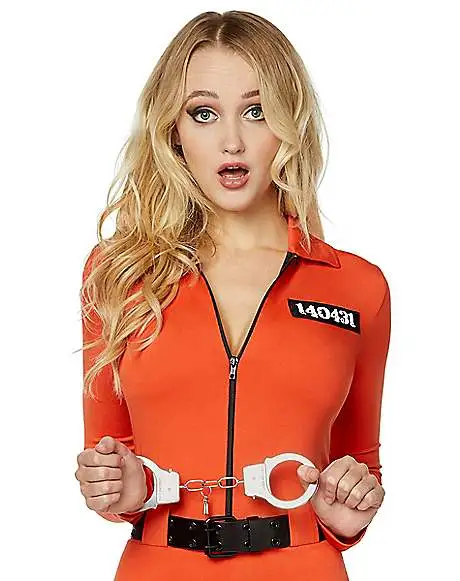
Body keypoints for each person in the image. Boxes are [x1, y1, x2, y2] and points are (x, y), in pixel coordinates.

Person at [74, 10, 391, 581]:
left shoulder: (357, 286)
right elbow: (109, 459)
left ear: (288, 123)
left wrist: (348, 512)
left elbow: (360, 467)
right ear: (173, 130)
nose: (232, 141)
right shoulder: (118, 275)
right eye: (204, 113)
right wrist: (118, 489)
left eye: (256, 110)